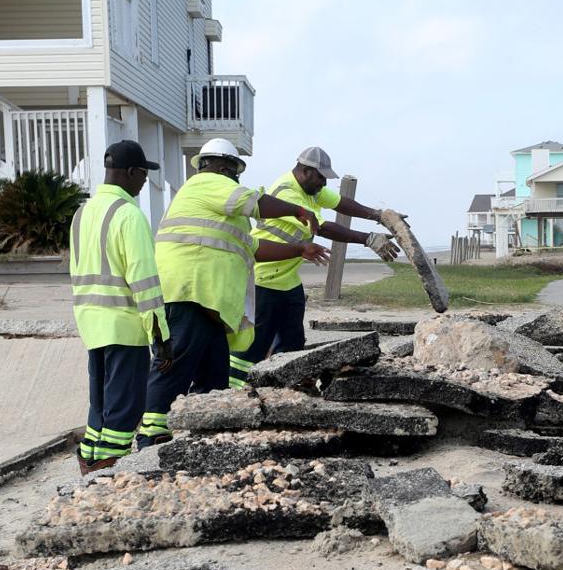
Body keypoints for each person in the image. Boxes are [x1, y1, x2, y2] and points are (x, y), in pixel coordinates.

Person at [136, 139, 329, 446]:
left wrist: (299, 248)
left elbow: (253, 247)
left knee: (215, 378)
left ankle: (204, 437)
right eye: (235, 171)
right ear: (223, 166)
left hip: (210, 304)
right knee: (173, 369)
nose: (236, 178)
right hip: (187, 294)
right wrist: (299, 210)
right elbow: (256, 202)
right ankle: (152, 438)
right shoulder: (207, 183)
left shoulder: (227, 210)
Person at [228, 146, 400, 389]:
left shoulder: (310, 190)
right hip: (262, 280)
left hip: (288, 281)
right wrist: (367, 239)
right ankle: (233, 392)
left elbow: (341, 203)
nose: (323, 184)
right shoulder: (287, 193)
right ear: (307, 172)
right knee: (253, 344)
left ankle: (284, 390)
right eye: (321, 177)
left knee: (292, 342)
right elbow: (323, 227)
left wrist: (378, 215)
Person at [70, 140, 165, 474]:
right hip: (124, 327)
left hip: (91, 325)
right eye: (142, 175)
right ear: (130, 172)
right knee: (125, 407)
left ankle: (90, 466)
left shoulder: (82, 213)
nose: (143, 182)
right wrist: (160, 336)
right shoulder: (129, 215)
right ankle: (112, 469)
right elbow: (145, 282)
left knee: (99, 408)